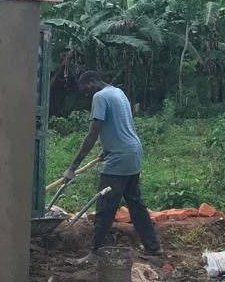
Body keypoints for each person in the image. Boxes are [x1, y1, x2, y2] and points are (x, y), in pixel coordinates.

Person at [63, 72, 161, 261]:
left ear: (92, 81)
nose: (86, 94)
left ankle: (95, 252)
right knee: (135, 203)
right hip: (133, 152)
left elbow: (93, 133)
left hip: (119, 158)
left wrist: (72, 167)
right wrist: (106, 149)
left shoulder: (100, 97)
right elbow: (120, 126)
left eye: (86, 90)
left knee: (105, 206)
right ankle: (153, 247)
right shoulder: (118, 92)